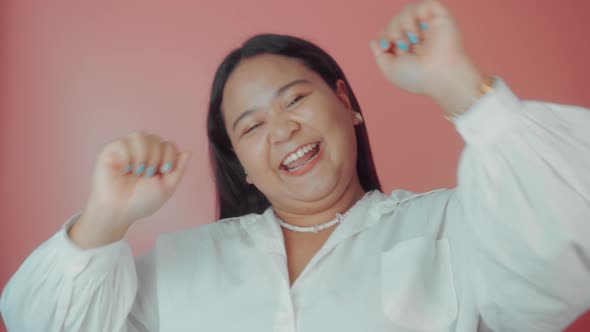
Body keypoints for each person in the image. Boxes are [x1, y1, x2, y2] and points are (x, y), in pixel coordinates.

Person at [1, 0, 589, 331]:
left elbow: (569, 249)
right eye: (251, 126)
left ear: (347, 103)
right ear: (244, 167)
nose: (281, 130)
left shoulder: (450, 230)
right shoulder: (180, 266)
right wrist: (104, 219)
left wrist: (464, 91)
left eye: (296, 100)